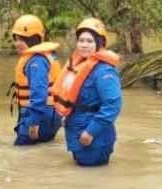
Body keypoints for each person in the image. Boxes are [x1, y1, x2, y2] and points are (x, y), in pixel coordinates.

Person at [53, 18, 123, 166]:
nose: (84, 45)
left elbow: (113, 105)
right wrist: (67, 115)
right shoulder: (79, 65)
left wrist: (91, 131)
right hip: (76, 129)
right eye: (81, 40)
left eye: (90, 41)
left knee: (92, 176)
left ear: (99, 43)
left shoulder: (104, 70)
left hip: (94, 136)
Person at [9, 14, 63, 146]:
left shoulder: (36, 61)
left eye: (22, 39)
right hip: (49, 114)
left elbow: (39, 95)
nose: (17, 43)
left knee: (20, 151)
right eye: (16, 39)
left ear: (34, 39)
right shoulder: (44, 56)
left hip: (40, 114)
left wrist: (33, 123)